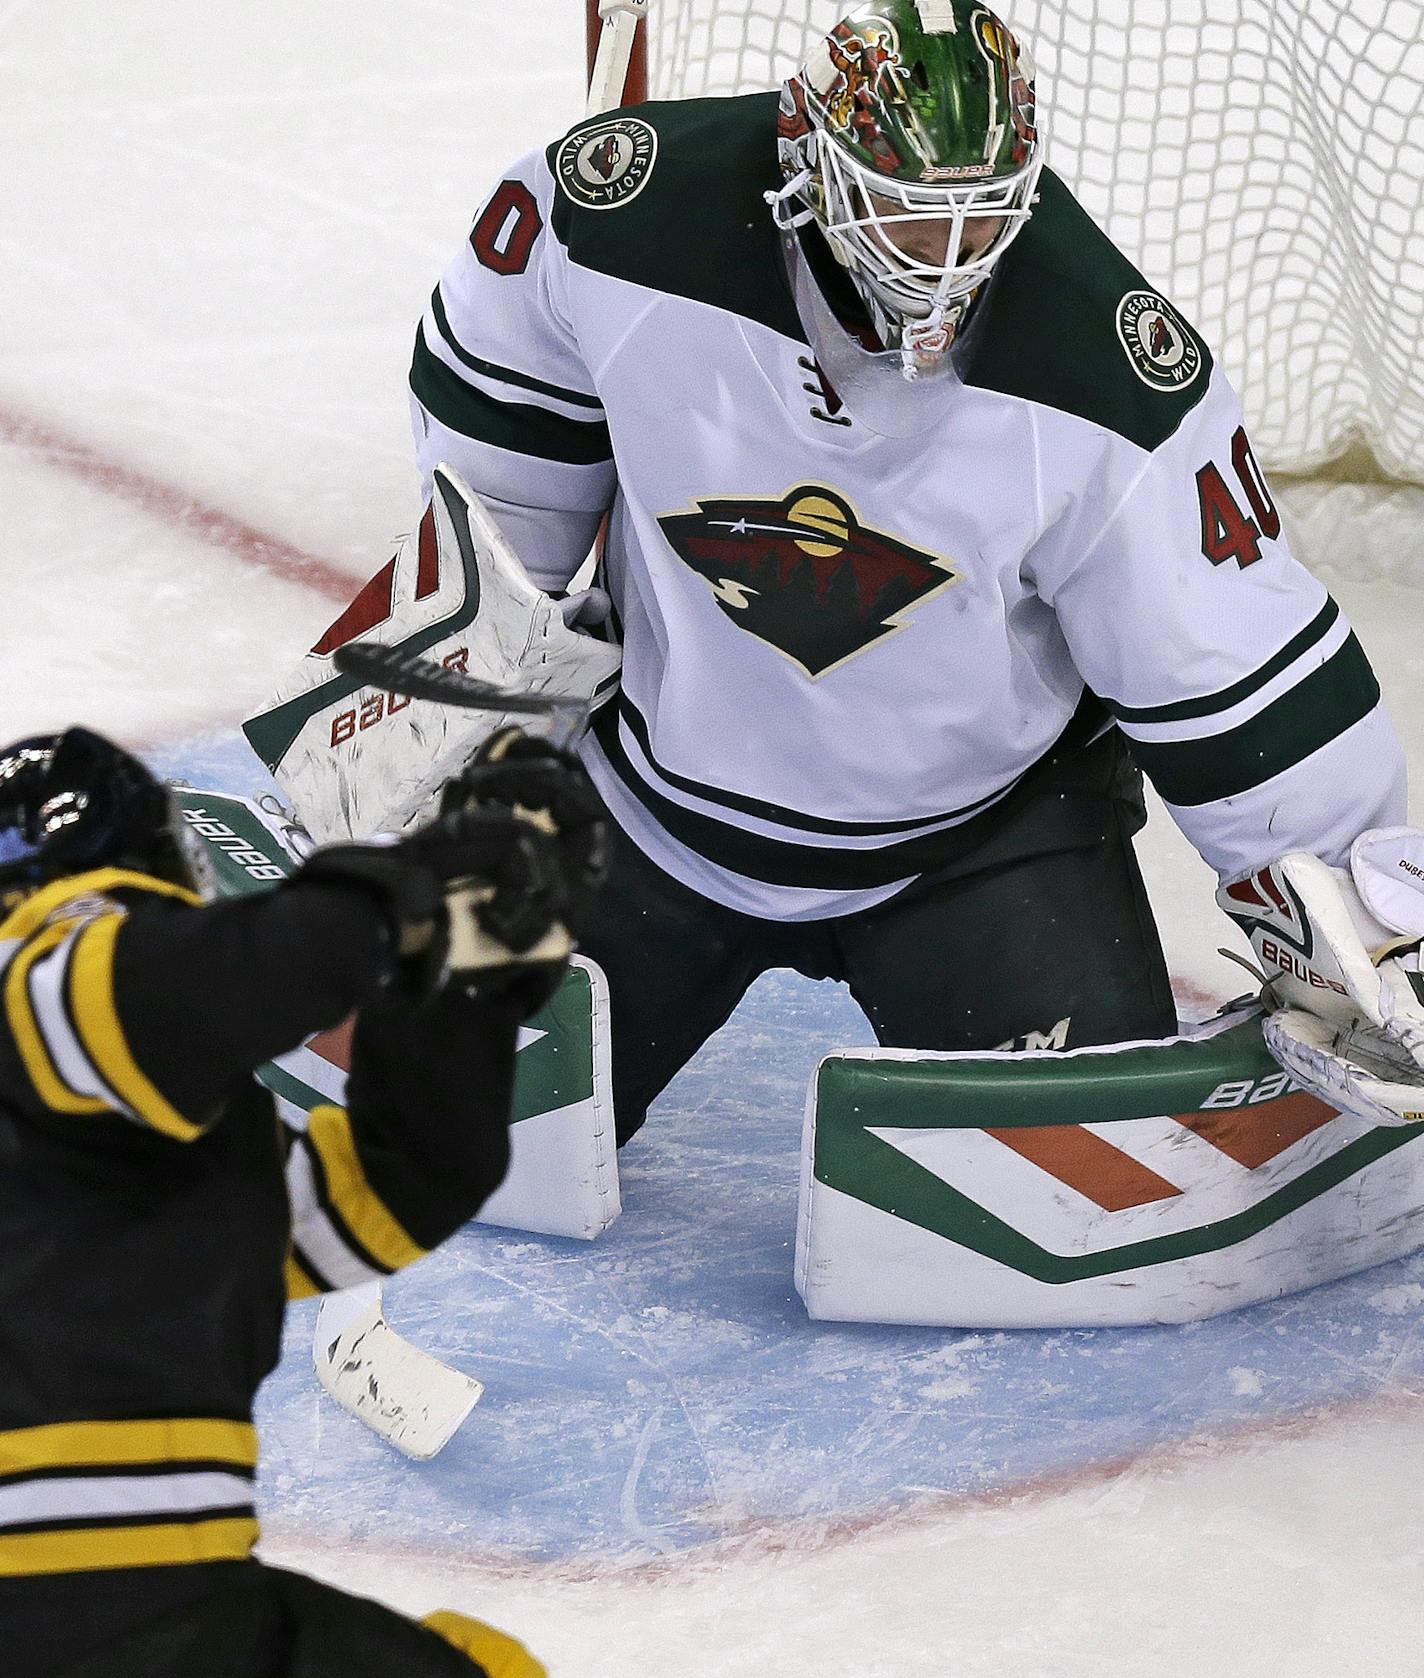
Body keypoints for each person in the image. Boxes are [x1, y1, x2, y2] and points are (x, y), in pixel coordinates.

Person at [351, 0, 1405, 1142]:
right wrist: (458, 697)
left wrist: (1361, 920)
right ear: (809, 152)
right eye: (906, 211)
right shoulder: (614, 218)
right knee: (449, 1123)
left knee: (1075, 1166)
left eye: (977, 215)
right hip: (652, 813)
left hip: (976, 847)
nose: (944, 259)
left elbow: (1236, 660)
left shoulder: (1106, 371)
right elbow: (499, 483)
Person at [0, 725, 604, 1677]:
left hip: (155, 1602)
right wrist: (414, 879)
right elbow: (206, 982)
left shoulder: (150, 1146)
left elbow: (404, 1183)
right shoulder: (28, 989)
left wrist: (461, 990)